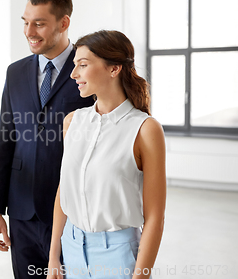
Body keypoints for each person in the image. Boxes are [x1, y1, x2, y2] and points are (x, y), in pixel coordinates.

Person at [0, 0, 95, 279]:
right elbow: (5, 140)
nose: (29, 31)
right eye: (25, 21)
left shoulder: (88, 70)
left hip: (72, 212)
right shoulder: (15, 72)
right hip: (21, 210)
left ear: (63, 23)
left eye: (39, 23)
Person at [47, 30, 166, 279]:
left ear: (114, 69)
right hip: (71, 246)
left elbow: (154, 216)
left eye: (83, 65)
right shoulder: (72, 122)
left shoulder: (144, 128)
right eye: (74, 65)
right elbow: (64, 191)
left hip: (118, 255)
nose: (73, 74)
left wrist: (140, 276)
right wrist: (53, 257)